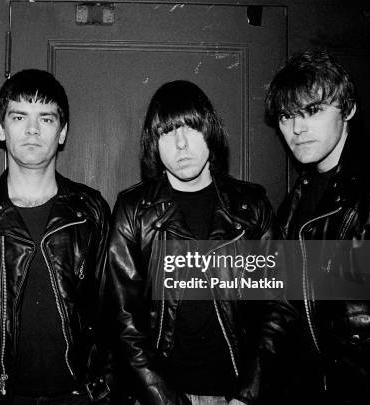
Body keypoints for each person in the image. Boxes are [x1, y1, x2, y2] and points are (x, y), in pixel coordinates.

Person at [0, 69, 111, 405]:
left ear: (62, 132)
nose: (32, 129)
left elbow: (114, 313)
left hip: (79, 398)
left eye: (46, 118)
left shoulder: (91, 210)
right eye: (18, 116)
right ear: (0, 127)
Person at [107, 80, 294, 405]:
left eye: (191, 128)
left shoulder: (251, 207)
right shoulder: (133, 211)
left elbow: (278, 305)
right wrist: (160, 396)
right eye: (167, 133)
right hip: (159, 395)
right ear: (154, 144)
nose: (180, 144)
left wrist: (249, 393)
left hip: (236, 393)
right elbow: (122, 319)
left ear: (210, 132)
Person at [265, 50, 370, 404]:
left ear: (348, 109)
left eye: (313, 111)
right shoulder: (296, 200)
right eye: (286, 116)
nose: (297, 128)